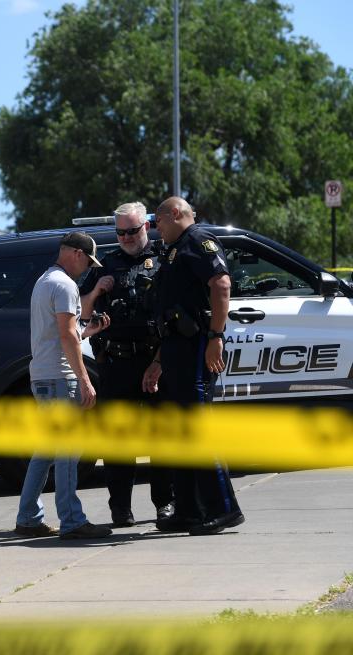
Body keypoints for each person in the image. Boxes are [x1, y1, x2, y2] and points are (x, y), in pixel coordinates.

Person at [143, 197, 245, 536]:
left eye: (157, 222)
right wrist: (158, 360)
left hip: (196, 346)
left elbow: (221, 284)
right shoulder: (175, 248)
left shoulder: (199, 241)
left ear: (174, 214)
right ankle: (188, 510)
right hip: (175, 349)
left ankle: (223, 509)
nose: (156, 230)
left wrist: (216, 334)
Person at [80, 202, 175, 528]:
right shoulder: (106, 265)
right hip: (116, 362)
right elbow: (82, 313)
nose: (126, 237)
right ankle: (120, 509)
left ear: (145, 226)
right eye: (120, 232)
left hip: (154, 361)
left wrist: (160, 361)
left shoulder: (165, 260)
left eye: (132, 230)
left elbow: (175, 313)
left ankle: (165, 503)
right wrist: (96, 290)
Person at [14, 231, 114, 540]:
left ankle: (28, 517)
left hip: (43, 376)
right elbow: (67, 335)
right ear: (76, 254)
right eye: (87, 262)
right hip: (60, 379)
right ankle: (72, 521)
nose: (86, 269)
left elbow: (63, 334)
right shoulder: (65, 285)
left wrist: (88, 332)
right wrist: (84, 379)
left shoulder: (45, 281)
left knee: (46, 451)